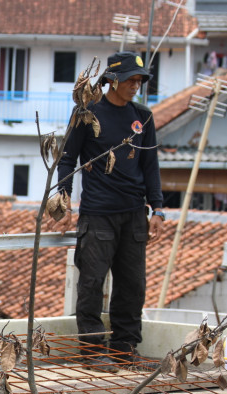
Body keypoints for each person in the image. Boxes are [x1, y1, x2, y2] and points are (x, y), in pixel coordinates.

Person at [56, 51, 165, 369]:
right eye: (130, 80)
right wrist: (63, 202)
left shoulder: (142, 116)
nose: (135, 85)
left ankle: (124, 349)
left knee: (133, 285)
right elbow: (66, 159)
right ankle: (91, 352)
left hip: (133, 215)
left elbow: (151, 164)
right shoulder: (87, 113)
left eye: (140, 80)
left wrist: (157, 208)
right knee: (91, 283)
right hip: (97, 213)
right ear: (112, 80)